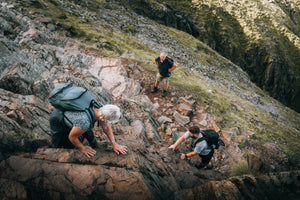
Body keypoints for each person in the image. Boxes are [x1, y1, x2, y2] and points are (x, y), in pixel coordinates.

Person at [50, 104, 127, 158]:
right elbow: (72, 137)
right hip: (58, 118)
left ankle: (95, 145)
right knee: (66, 144)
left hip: (77, 118)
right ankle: (54, 150)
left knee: (86, 128)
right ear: (104, 118)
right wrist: (82, 148)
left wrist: (114, 143)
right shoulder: (85, 122)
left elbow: (106, 126)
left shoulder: (100, 107)